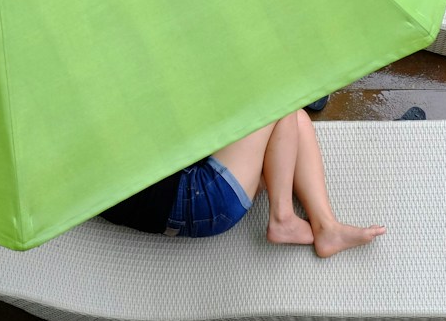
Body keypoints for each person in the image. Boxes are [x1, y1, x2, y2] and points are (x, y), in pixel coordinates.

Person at [100, 109, 386, 258]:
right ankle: (282, 217)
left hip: (190, 196)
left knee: (296, 119)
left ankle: (327, 228)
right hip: (199, 196)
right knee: (280, 102)